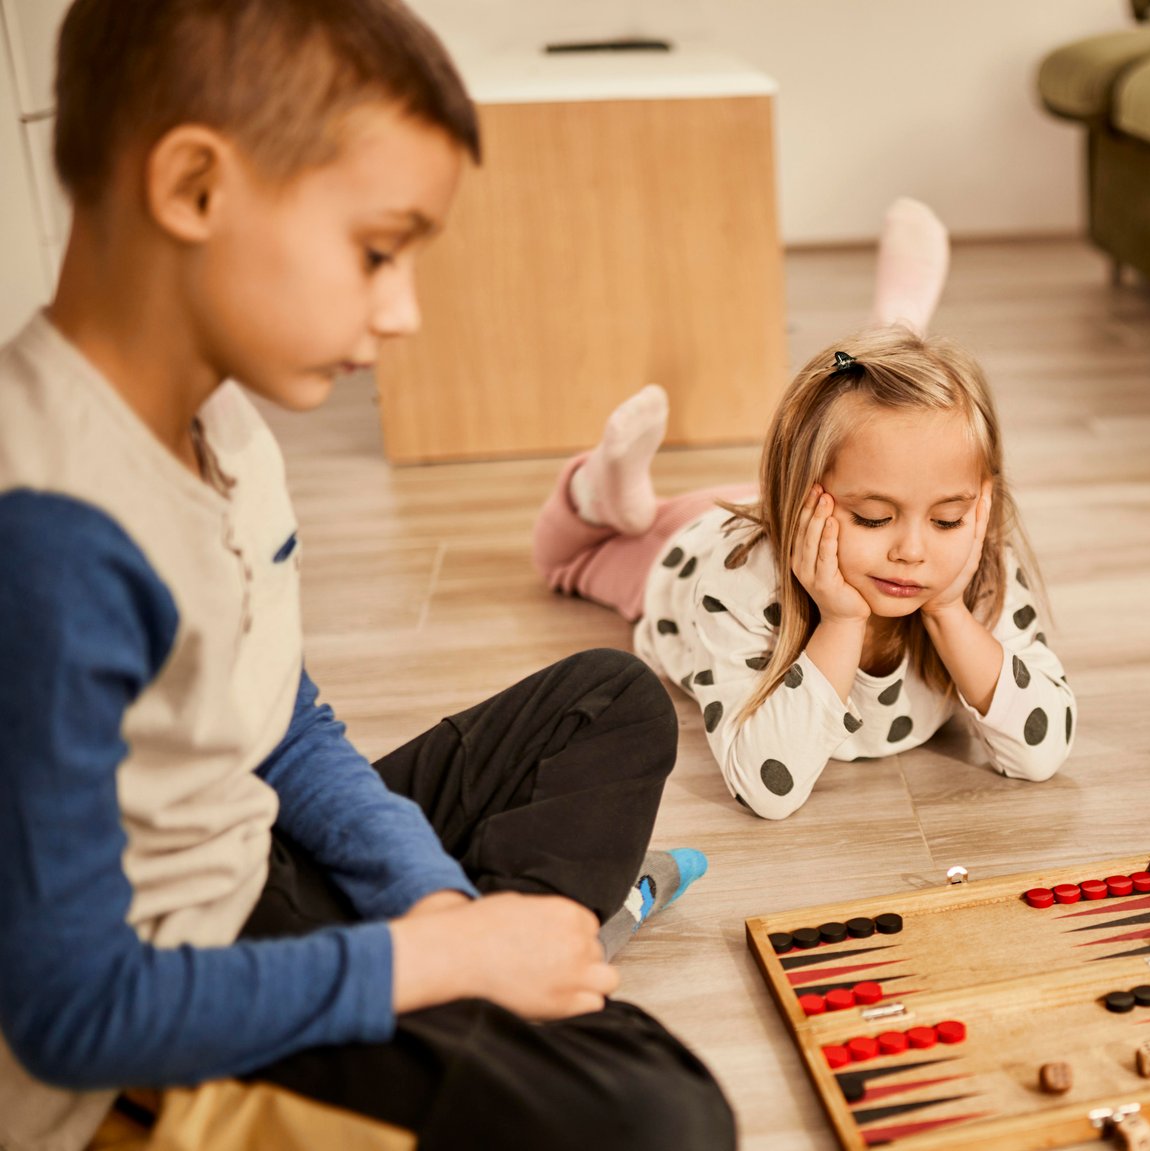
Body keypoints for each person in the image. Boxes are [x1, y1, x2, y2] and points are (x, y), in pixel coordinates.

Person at [0, 2, 733, 1148]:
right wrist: (429, 955)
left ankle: (498, 975)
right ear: (195, 187)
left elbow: (277, 724)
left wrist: (434, 904)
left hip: (256, 859)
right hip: (164, 1006)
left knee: (611, 696)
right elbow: (74, 1009)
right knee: (666, 1116)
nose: (402, 311)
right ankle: (505, 982)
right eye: (377, 251)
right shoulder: (50, 532)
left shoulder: (221, 422)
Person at [530, 200, 1077, 820]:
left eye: (947, 519)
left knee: (872, 439)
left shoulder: (976, 566)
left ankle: (893, 332)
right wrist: (841, 623)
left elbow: (1042, 753)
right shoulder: (739, 579)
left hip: (810, 490)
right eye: (874, 518)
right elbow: (768, 789)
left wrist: (950, 611)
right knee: (569, 559)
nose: (914, 550)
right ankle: (601, 489)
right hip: (688, 544)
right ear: (802, 497)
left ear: (982, 504)